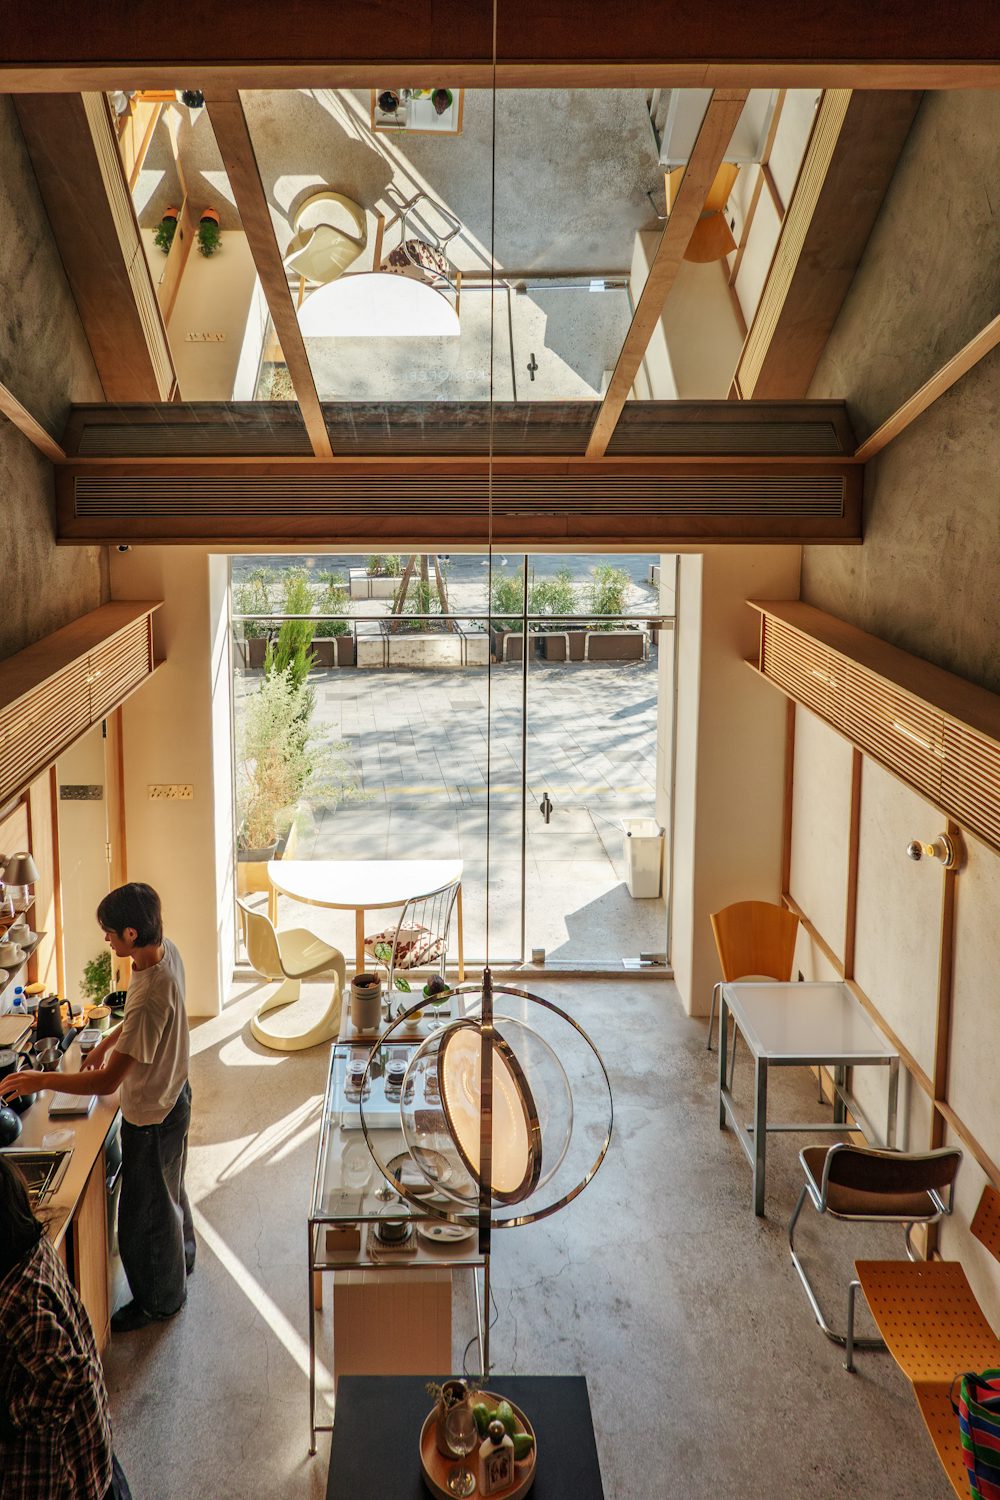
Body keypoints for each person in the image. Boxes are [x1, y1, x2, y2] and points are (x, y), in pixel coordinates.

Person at [0, 882, 194, 1333]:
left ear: (130, 933)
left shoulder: (149, 996)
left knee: (144, 1222)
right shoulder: (164, 954)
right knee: (170, 1196)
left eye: (109, 933)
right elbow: (142, 1023)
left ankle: (161, 1302)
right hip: (176, 1094)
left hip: (152, 1117)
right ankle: (182, 1264)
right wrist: (109, 1039)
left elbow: (107, 1082)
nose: (106, 939)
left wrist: (38, 1079)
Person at [0, 1155, 132, 1499]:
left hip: (64, 1466)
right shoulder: (34, 1249)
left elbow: (67, 1377)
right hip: (92, 1442)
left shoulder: (16, 1301)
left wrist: (10, 1414)